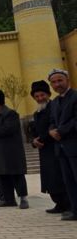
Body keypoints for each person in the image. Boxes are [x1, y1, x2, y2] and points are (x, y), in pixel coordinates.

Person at [30, 80, 69, 214]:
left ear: (48, 94)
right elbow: (35, 131)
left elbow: (53, 127)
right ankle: (59, 203)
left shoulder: (55, 107)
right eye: (37, 96)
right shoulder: (37, 113)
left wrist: (40, 139)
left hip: (56, 148)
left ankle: (67, 204)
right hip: (44, 150)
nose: (40, 98)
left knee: (59, 177)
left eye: (42, 95)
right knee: (49, 178)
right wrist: (34, 141)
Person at [0, 89, 29, 209]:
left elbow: (8, 129)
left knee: (17, 175)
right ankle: (9, 199)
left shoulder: (11, 114)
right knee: (3, 176)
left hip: (11, 151)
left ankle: (23, 198)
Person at [48, 69, 77, 221]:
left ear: (67, 80)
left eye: (60, 81)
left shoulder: (75, 97)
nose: (57, 84)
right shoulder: (55, 102)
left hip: (74, 146)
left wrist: (60, 131)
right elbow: (52, 121)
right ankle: (74, 209)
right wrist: (52, 130)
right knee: (69, 180)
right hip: (61, 148)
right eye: (54, 82)